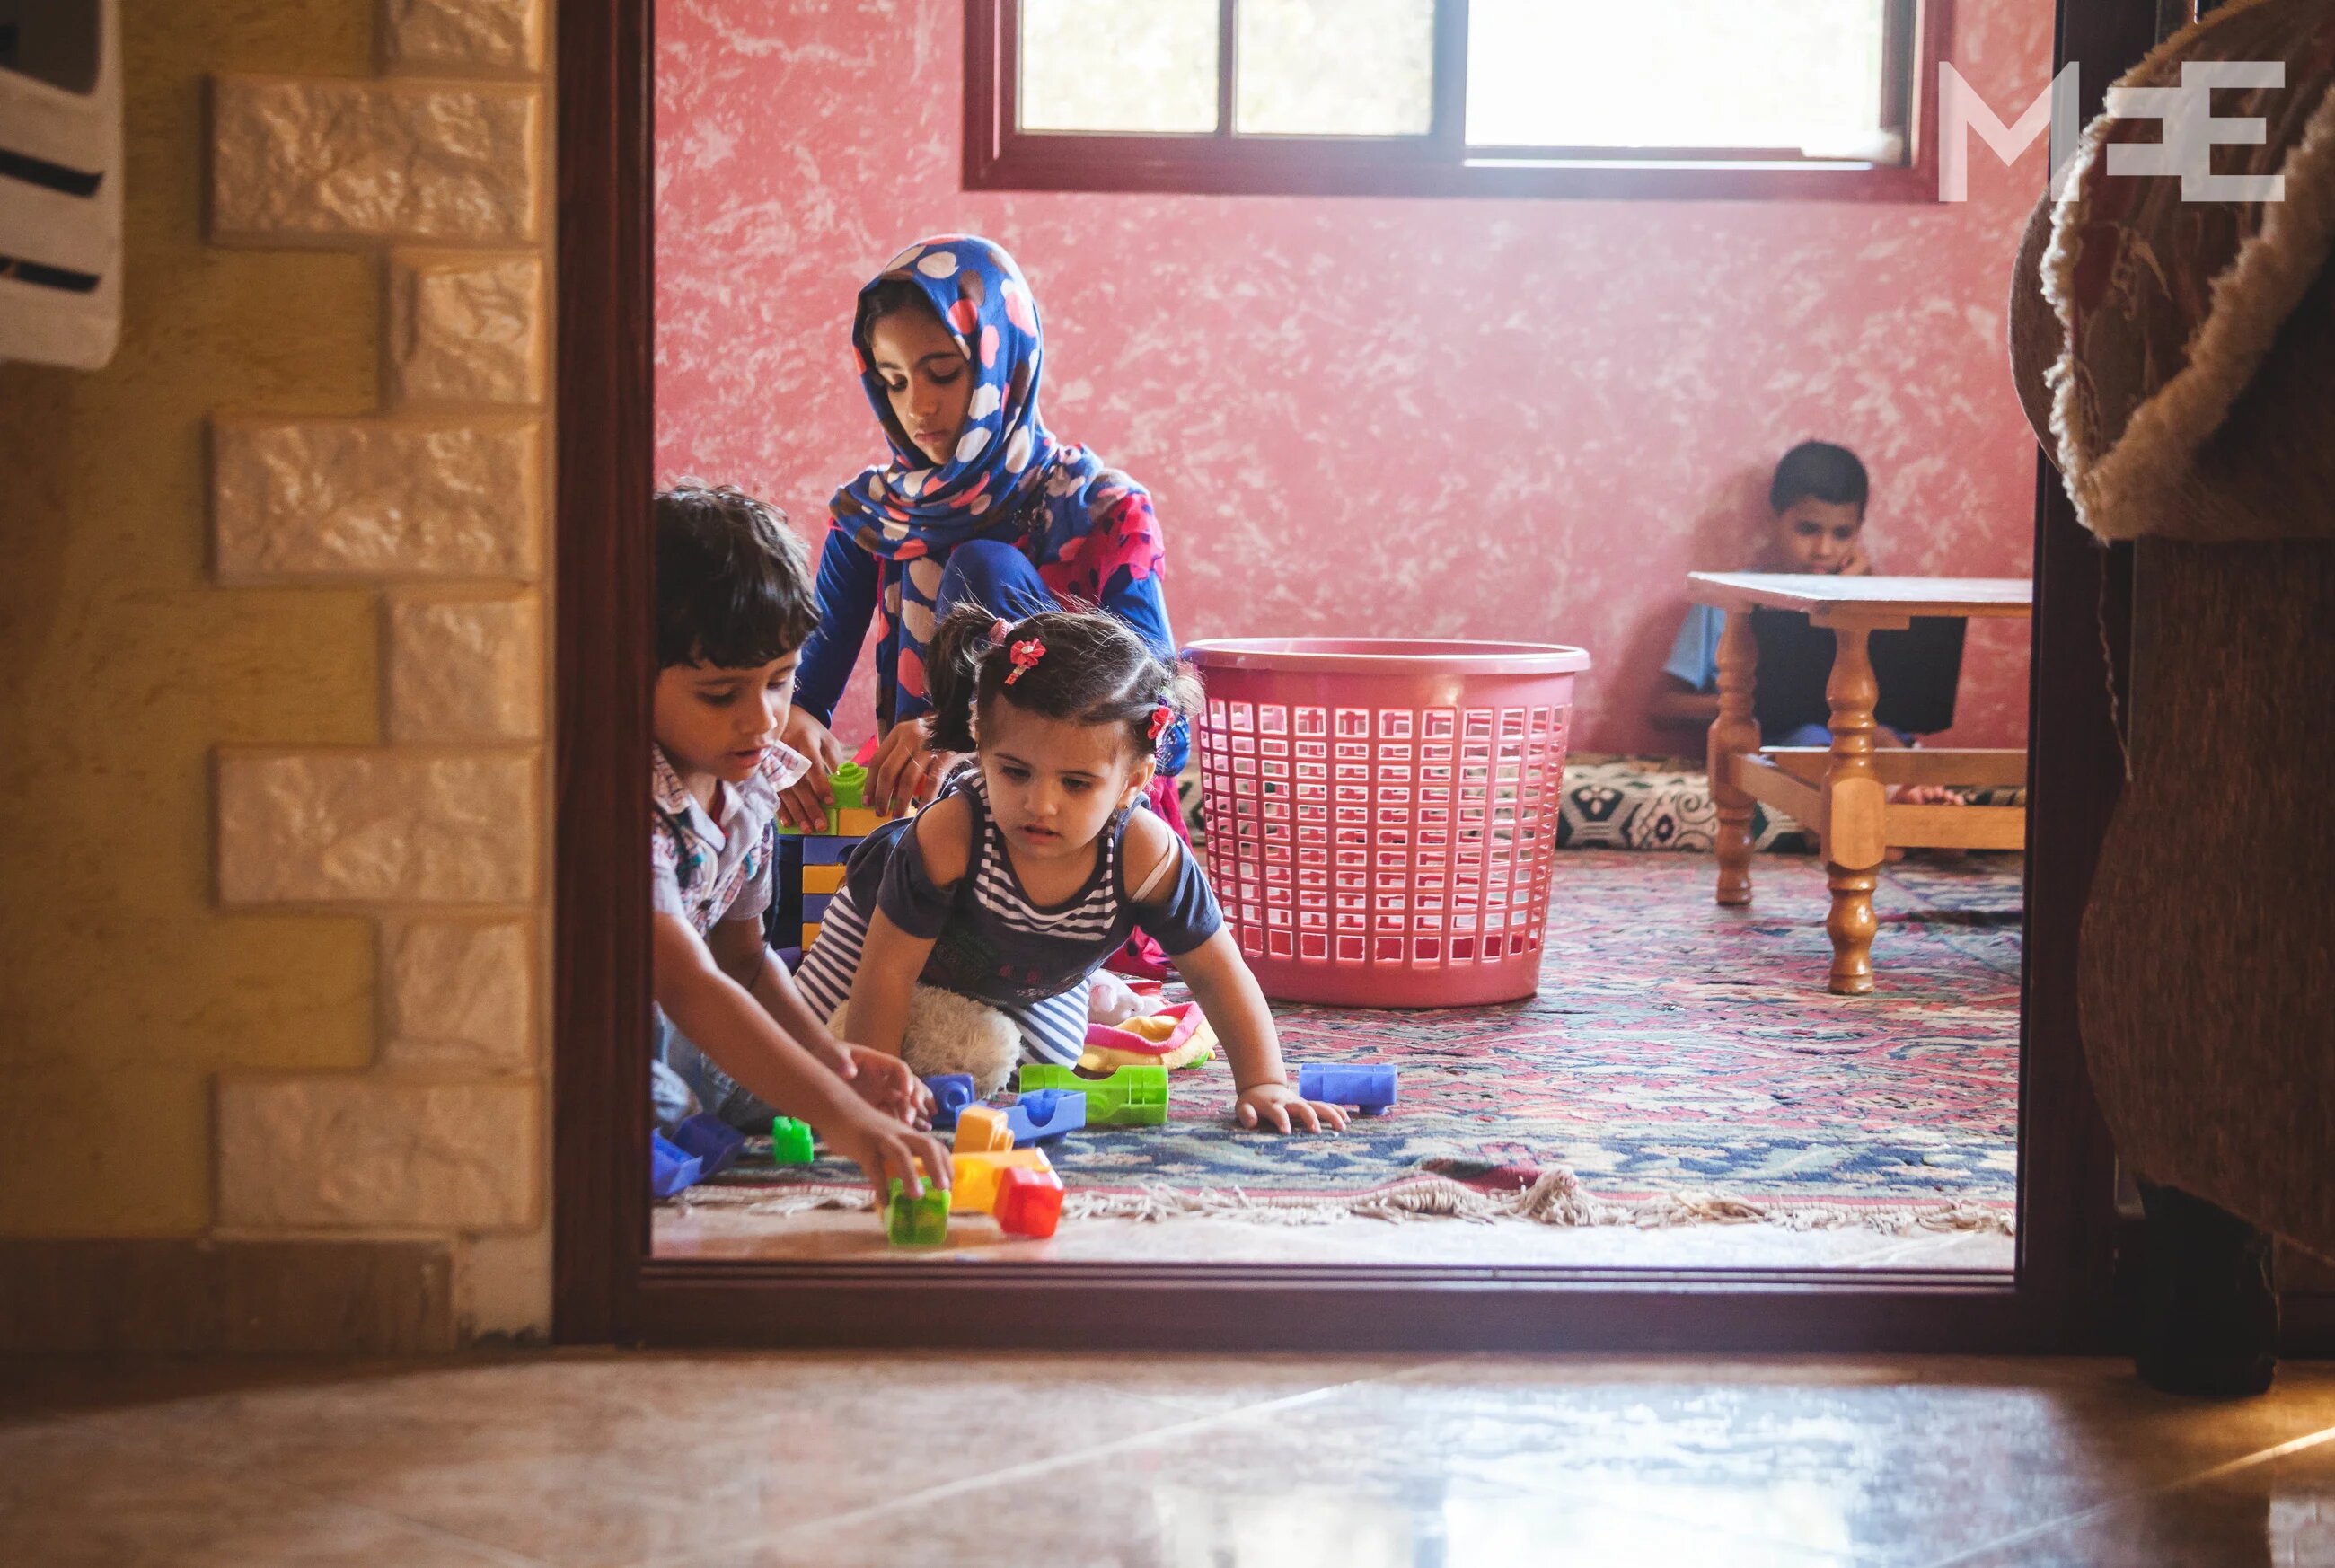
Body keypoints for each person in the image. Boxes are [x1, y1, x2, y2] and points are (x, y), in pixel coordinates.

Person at [780, 236, 1190, 975]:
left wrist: (965, 728)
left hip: (1078, 838)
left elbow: (1166, 729)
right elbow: (804, 687)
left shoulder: (1102, 510)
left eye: (943, 372)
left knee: (982, 567)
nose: (918, 407)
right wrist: (794, 724)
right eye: (893, 381)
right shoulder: (875, 517)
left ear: (1005, 363)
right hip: (936, 825)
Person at [793, 604, 1349, 1135]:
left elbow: (1216, 971)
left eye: (1076, 783)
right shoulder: (951, 833)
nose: (1041, 804)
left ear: (1132, 782)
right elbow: (888, 970)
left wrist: (1264, 1083)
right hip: (880, 932)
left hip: (1028, 970)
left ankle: (1083, 984)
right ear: (981, 745)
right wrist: (872, 1091)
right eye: (1015, 772)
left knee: (1047, 1063)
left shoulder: (1144, 855)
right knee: (801, 1049)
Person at [648, 482, 952, 1198]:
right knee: (658, 1098)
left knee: (770, 1080)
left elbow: (745, 960)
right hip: (611, 1028)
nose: (762, 720)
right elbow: (687, 983)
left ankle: (695, 1117)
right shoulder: (627, 803)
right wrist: (843, 1117)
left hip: (689, 1023)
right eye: (720, 694)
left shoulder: (754, 783)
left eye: (780, 681)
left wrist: (835, 1064)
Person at [1652, 440, 1875, 739]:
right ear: (1774, 520)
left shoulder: (1867, 597)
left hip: (1853, 740)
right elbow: (1664, 707)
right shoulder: (1727, 598)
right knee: (1811, 737)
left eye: (1842, 534)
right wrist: (1748, 703)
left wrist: (1854, 595)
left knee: (1886, 739)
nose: (1823, 550)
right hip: (1767, 747)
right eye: (1807, 529)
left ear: (1858, 531)